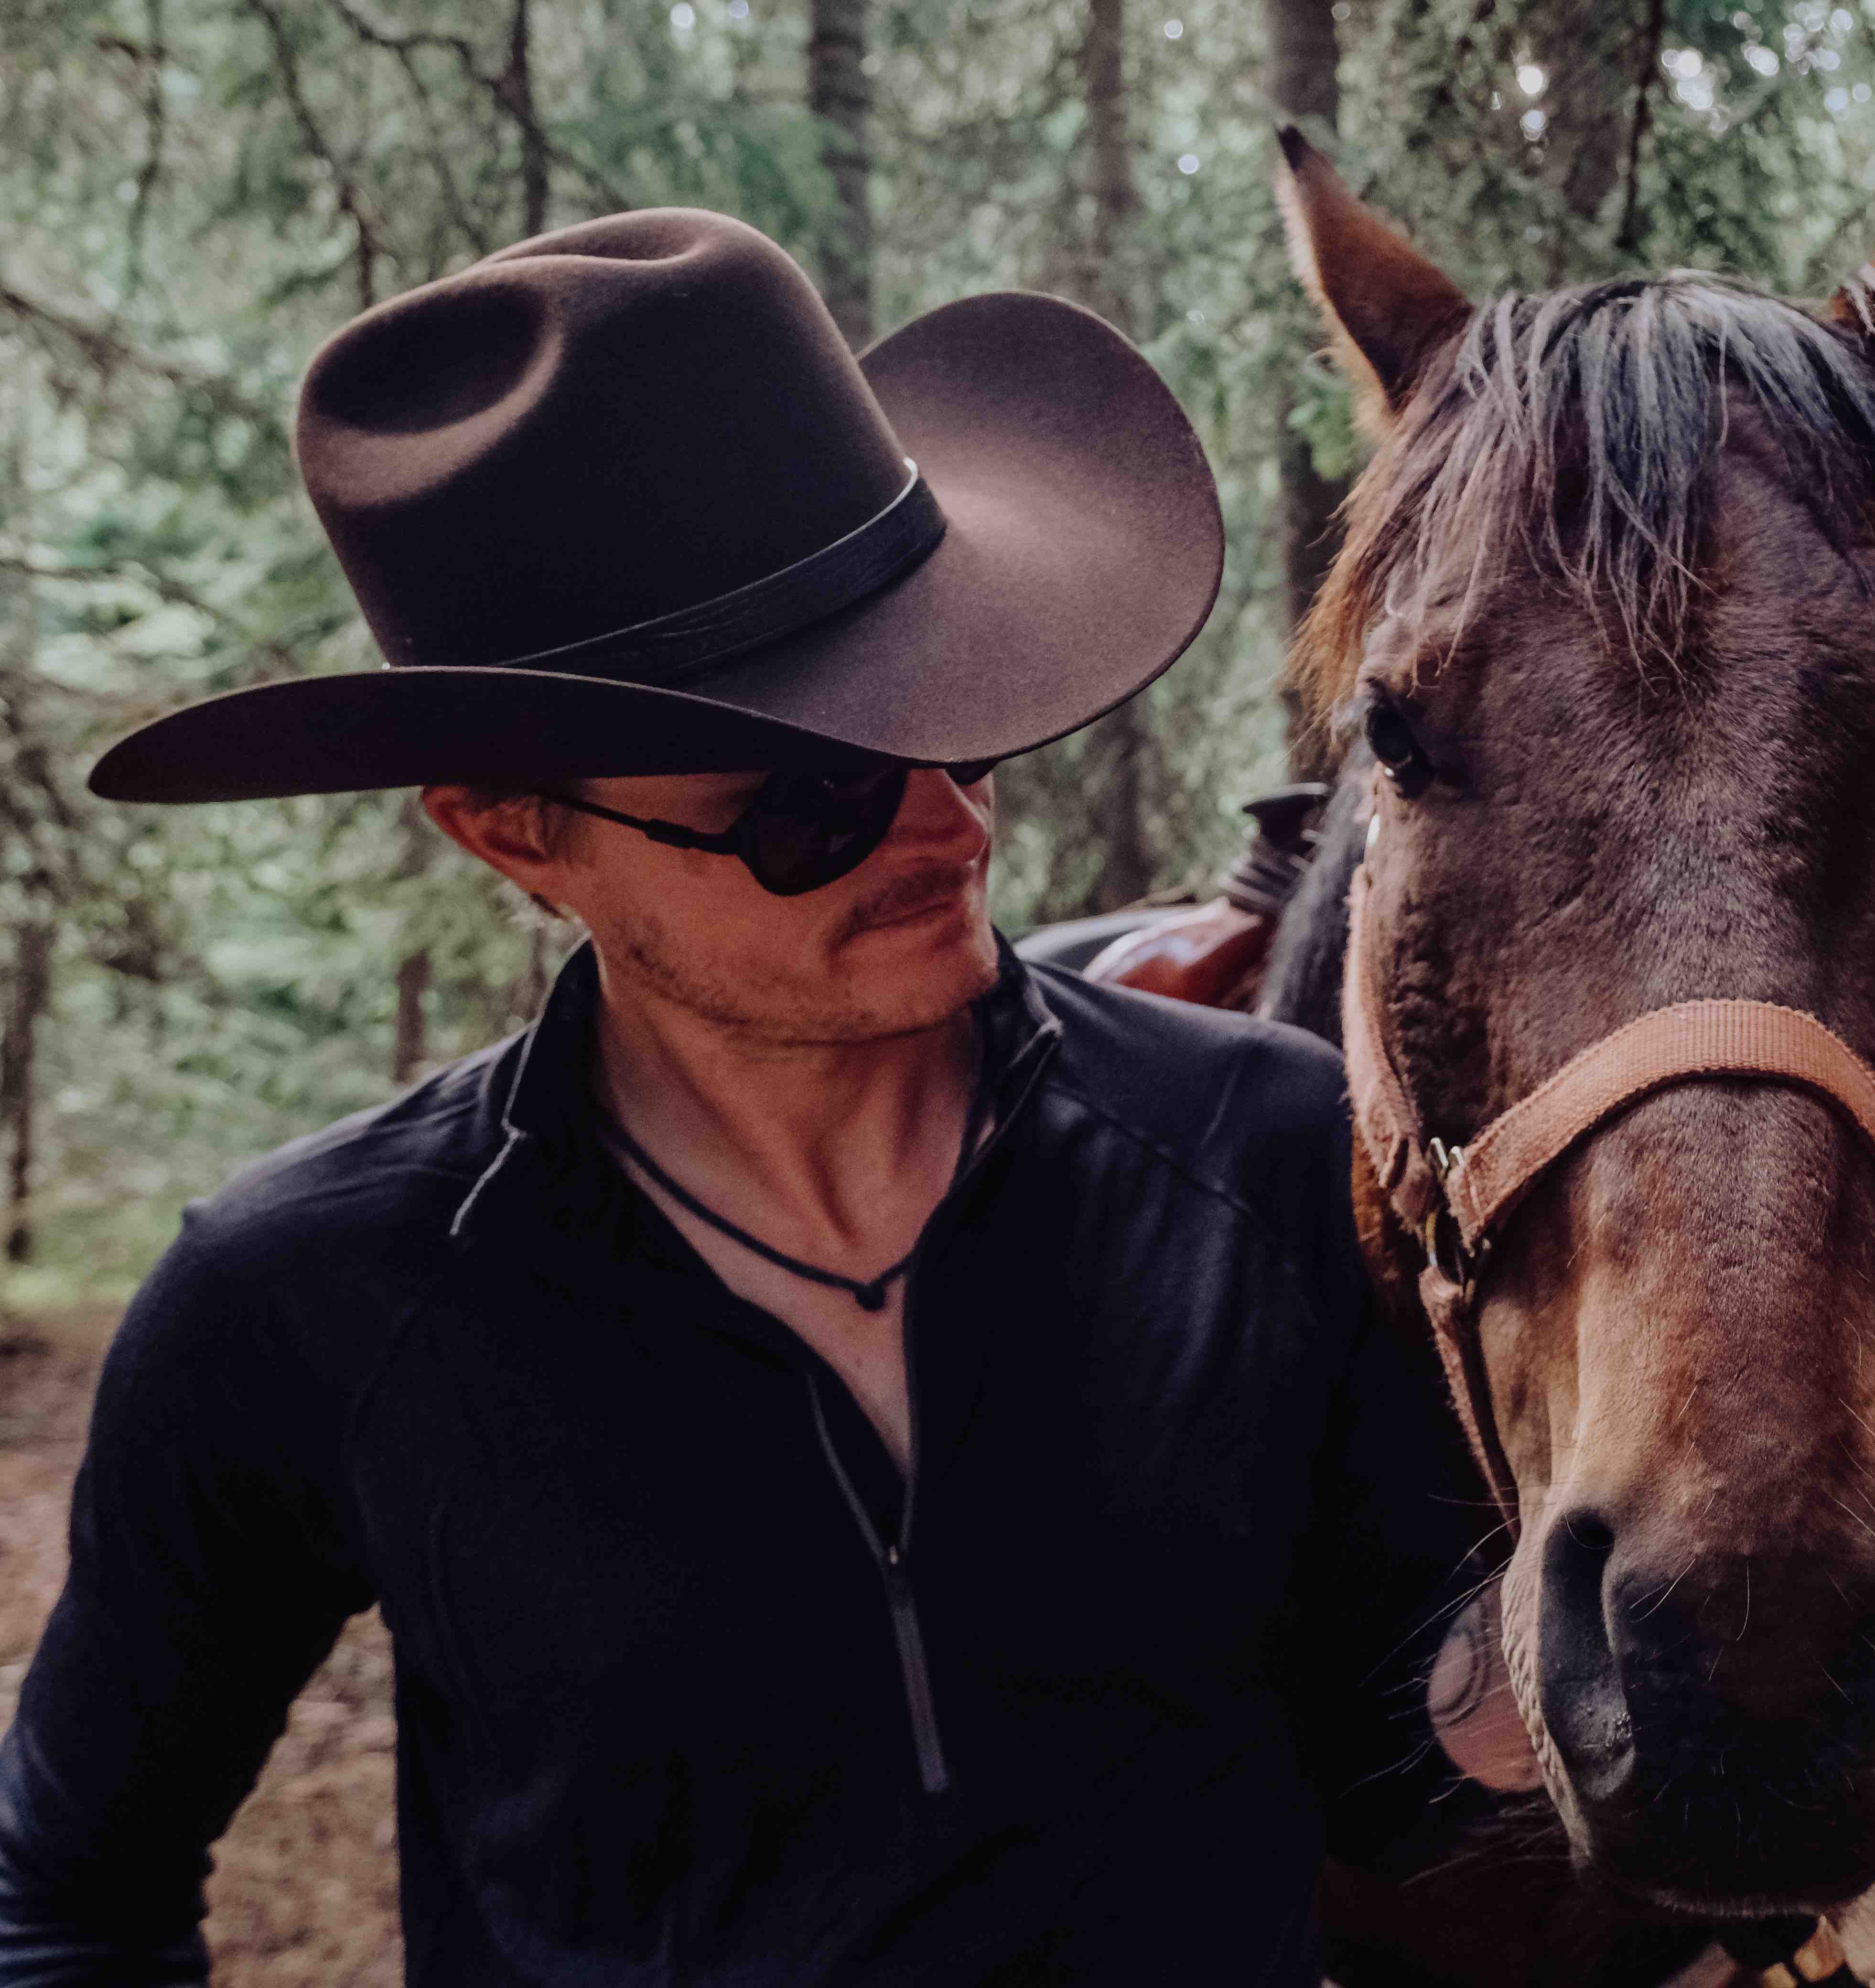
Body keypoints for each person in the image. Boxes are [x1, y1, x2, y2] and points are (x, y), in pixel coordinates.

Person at [0, 207, 1484, 1985]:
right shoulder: (301, 1303)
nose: (947, 826)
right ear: (512, 832)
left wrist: (1675, 1594)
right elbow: (67, 1896)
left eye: (956, 719)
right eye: (806, 802)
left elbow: (1407, 1785)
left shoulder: (1267, 1150)